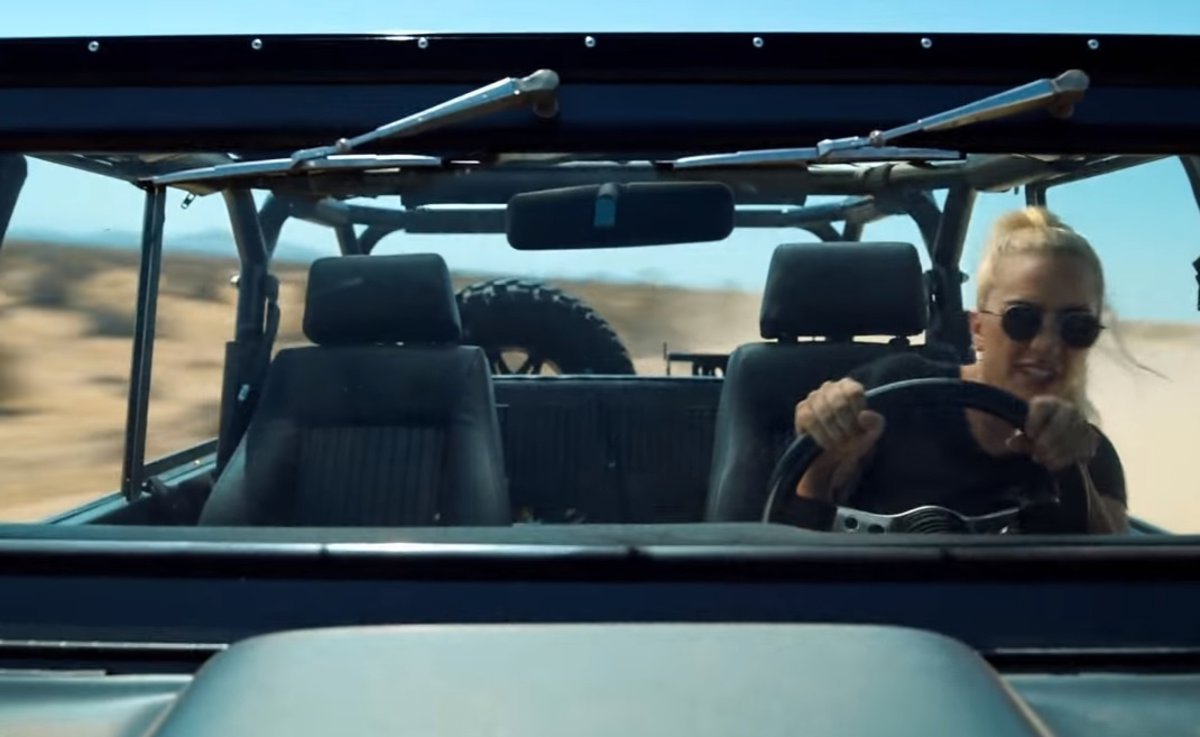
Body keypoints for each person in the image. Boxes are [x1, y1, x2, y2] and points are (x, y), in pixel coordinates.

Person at [791, 206, 1128, 534]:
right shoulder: (895, 395)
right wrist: (825, 447)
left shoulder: (1086, 449)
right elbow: (794, 536)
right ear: (977, 329)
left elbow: (1118, 569)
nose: (1047, 345)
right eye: (1022, 318)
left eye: (1077, 326)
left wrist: (1073, 470)